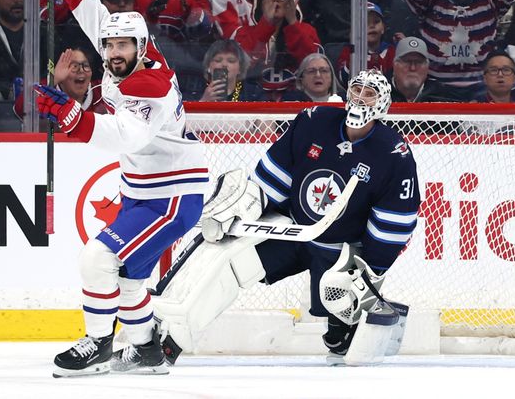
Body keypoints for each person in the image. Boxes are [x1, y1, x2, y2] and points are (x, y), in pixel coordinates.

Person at [151, 69, 420, 366]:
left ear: (383, 103)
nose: (359, 98)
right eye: (356, 90)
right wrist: (246, 206)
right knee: (234, 265)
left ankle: (343, 331)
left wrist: (370, 269)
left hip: (338, 250)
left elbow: (394, 222)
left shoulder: (393, 152)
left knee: (338, 343)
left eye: (369, 94)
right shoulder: (314, 122)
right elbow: (272, 181)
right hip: (292, 231)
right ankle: (171, 341)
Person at [38, 0, 208, 377]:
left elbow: (124, 138)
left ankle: (98, 345)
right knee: (131, 277)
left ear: (140, 47)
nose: (112, 53)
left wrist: (69, 114)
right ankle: (149, 352)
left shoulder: (148, 86)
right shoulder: (133, 52)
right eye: (109, 47)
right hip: (145, 189)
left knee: (97, 259)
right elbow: (99, 22)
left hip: (170, 196)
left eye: (120, 47)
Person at [389, 36, 454, 103]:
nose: (412, 68)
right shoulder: (379, 93)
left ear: (427, 67)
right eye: (407, 61)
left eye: (419, 62)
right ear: (394, 65)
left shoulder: (442, 95)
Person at [196, 39, 262, 102]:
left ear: (240, 68)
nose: (224, 64)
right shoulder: (194, 89)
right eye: (218, 60)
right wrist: (203, 101)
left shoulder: (253, 93)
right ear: (208, 66)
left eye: (231, 61)